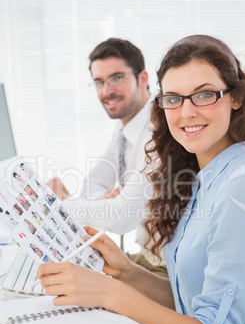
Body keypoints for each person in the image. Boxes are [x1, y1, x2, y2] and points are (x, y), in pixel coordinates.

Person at [37, 34, 245, 324]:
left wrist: (109, 294)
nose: (187, 111)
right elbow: (190, 302)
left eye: (205, 94)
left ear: (235, 97)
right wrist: (127, 272)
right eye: (174, 98)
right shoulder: (206, 175)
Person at [48, 38, 167, 277]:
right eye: (99, 82)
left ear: (142, 79)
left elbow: (121, 218)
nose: (107, 90)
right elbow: (95, 183)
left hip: (166, 271)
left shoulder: (157, 131)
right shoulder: (124, 130)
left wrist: (64, 204)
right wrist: (103, 205)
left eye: (116, 78)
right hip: (146, 259)